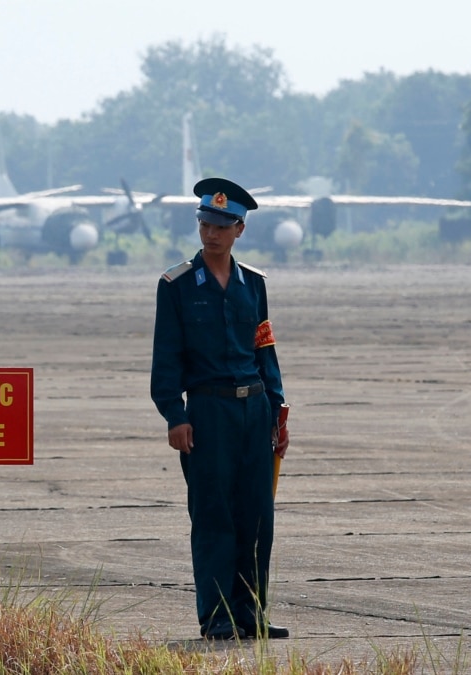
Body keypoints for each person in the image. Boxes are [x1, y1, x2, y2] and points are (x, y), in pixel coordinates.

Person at [150, 177, 290, 641]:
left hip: (254, 412)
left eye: (222, 225)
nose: (211, 233)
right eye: (205, 222)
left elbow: (264, 348)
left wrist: (278, 408)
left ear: (239, 230)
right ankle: (217, 619)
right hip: (207, 415)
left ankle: (251, 616)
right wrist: (175, 414)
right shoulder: (175, 285)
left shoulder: (254, 284)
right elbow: (166, 357)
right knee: (213, 517)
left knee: (257, 518)